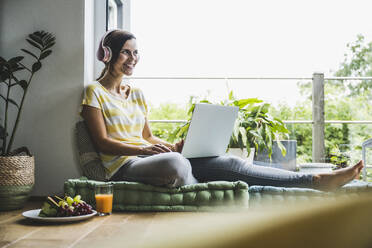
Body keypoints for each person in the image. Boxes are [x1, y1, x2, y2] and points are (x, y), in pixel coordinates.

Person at [81, 29, 363, 192]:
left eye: (136, 53)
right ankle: (208, 194)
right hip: (122, 166)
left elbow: (149, 137)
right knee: (177, 165)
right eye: (126, 52)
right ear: (108, 55)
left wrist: (174, 145)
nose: (133, 59)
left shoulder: (138, 94)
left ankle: (315, 180)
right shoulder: (94, 92)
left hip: (150, 158)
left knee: (230, 163)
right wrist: (144, 151)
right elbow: (102, 142)